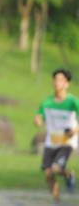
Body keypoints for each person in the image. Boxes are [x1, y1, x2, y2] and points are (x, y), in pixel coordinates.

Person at [35, 69, 79, 203]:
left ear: (67, 83)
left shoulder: (73, 102)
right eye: (55, 79)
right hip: (51, 141)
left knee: (55, 168)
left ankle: (68, 173)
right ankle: (56, 200)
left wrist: (74, 131)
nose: (56, 82)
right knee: (48, 174)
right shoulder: (47, 101)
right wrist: (38, 120)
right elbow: (38, 116)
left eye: (60, 80)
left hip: (67, 141)